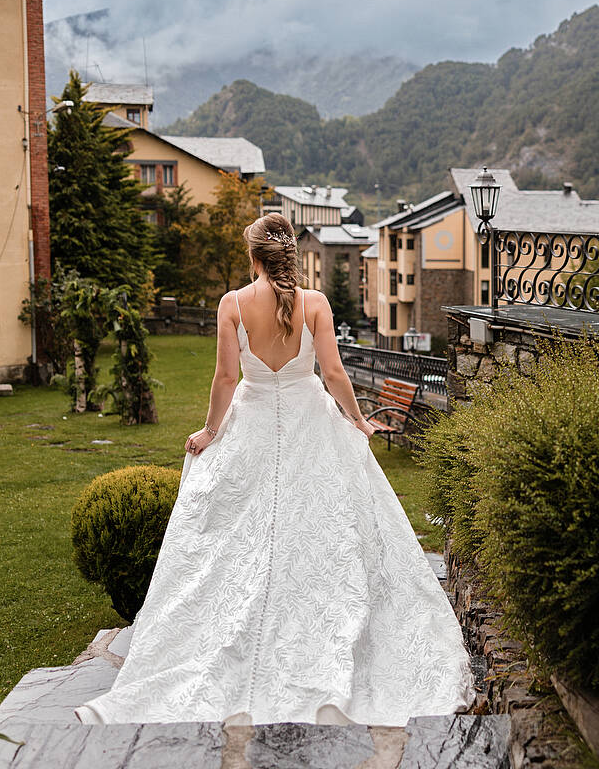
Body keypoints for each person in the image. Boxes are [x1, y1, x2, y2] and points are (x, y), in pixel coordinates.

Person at [74, 213, 475, 726]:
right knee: (326, 530)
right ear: (290, 256)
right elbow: (332, 372)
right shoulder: (316, 304)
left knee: (239, 534)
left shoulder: (232, 304)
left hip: (252, 422)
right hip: (312, 423)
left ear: (254, 257)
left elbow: (224, 377)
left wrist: (210, 432)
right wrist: (358, 421)